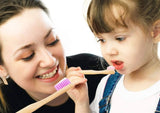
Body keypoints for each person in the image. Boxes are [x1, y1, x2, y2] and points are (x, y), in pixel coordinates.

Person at [0, 0, 108, 113]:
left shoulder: (99, 71)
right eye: (28, 56)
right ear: (2, 68)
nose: (50, 61)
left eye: (52, 41)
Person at [86, 0, 160, 113]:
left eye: (120, 38)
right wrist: (81, 102)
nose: (109, 51)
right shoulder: (105, 85)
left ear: (155, 32)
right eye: (102, 40)